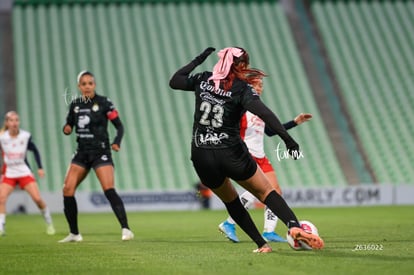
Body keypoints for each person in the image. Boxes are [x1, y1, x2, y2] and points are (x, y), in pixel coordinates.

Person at [169, 47, 324, 252]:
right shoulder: (241, 88)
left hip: (201, 155)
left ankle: (262, 244)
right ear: (240, 66)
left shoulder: (203, 79)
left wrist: (198, 59)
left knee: (231, 201)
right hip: (231, 152)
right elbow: (265, 113)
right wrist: (288, 140)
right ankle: (294, 226)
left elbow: (175, 80)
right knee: (267, 191)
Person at [218, 73, 313, 243]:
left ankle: (269, 231)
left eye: (261, 85)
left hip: (261, 156)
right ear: (248, 86)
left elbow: (269, 131)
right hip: (247, 153)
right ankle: (229, 223)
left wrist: (295, 122)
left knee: (275, 191)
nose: (260, 88)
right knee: (261, 190)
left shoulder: (257, 107)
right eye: (257, 85)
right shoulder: (240, 107)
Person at [59, 71, 133, 242]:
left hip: (100, 152)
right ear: (79, 86)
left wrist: (116, 142)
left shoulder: (105, 103)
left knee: (108, 189)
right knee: (67, 189)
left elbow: (119, 126)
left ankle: (126, 229)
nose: (87, 87)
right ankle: (74, 234)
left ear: (94, 85)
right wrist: (67, 128)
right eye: (83, 84)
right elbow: (69, 123)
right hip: (82, 152)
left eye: (90, 83)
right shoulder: (75, 105)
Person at [0, 111, 55, 236]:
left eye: (16, 120)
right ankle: (1, 227)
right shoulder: (2, 138)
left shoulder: (25, 136)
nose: (14, 123)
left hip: (23, 171)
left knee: (37, 199)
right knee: (1, 199)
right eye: (11, 120)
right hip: (9, 172)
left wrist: (40, 167)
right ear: (7, 123)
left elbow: (35, 150)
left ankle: (49, 223)